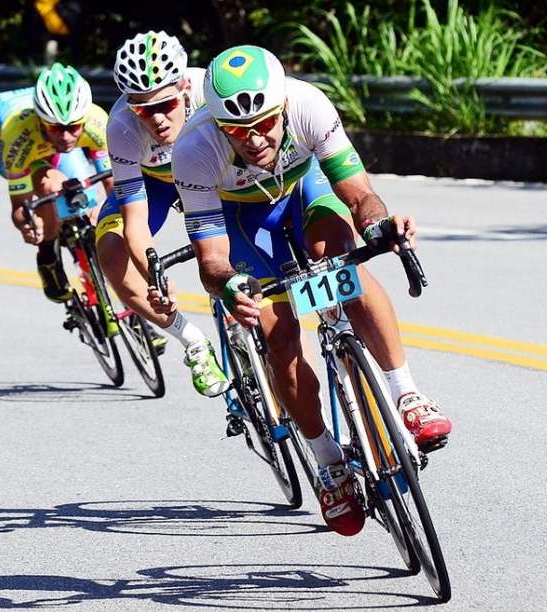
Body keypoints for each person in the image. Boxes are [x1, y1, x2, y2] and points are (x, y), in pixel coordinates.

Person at [164, 45, 453, 536]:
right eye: (237, 130)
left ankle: (406, 394)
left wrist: (381, 226)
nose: (253, 139)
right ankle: (327, 459)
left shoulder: (308, 105)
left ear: (281, 108)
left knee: (342, 257)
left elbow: (359, 194)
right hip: (242, 220)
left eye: (263, 123)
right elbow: (211, 257)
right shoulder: (194, 151)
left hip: (304, 192)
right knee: (279, 337)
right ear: (217, 124)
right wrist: (229, 284)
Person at [95, 31, 227, 397]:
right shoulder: (121, 125)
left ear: (185, 86)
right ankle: (194, 342)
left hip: (214, 175)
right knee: (110, 250)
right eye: (142, 108)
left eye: (165, 105)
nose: (155, 119)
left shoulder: (210, 93)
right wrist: (153, 275)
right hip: (156, 182)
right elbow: (135, 220)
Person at [0, 63, 113, 304]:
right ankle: (48, 258)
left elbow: (113, 184)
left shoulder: (97, 122)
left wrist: (108, 213)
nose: (65, 136)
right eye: (56, 128)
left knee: (86, 195)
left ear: (83, 119)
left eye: (73, 127)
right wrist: (29, 225)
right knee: (52, 187)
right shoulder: (18, 134)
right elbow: (20, 209)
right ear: (41, 120)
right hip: (14, 148)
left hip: (53, 150)